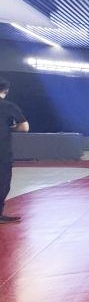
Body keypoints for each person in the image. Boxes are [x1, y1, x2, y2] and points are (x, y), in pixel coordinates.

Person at [0, 79, 29, 224]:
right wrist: (10, 128)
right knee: (2, 183)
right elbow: (24, 127)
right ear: (6, 91)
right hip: (2, 151)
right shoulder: (9, 106)